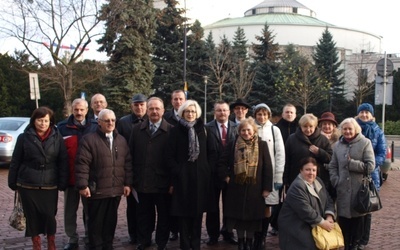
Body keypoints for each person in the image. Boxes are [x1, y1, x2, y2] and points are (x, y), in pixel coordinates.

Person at [8, 106, 69, 250]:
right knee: (32, 217)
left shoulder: (57, 137)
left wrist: (63, 181)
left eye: (46, 121)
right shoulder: (24, 137)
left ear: (51, 122)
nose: (43, 123)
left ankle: (51, 243)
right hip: (28, 184)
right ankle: (36, 244)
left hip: (50, 184)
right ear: (34, 121)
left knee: (49, 215)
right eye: (40, 120)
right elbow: (16, 160)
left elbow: (63, 161)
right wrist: (12, 180)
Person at [75, 109, 133, 250]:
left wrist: (127, 183)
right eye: (106, 120)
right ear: (99, 122)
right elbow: (82, 164)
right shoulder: (89, 140)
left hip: (115, 190)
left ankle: (108, 245)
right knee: (96, 224)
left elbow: (127, 163)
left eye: (113, 120)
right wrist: (83, 185)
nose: (110, 123)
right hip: (97, 191)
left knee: (110, 222)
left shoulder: (121, 140)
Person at [166, 100, 217, 250]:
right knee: (183, 215)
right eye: (187, 111)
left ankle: (195, 244)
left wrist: (207, 169)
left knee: (197, 214)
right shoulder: (175, 131)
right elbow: (169, 156)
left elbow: (213, 153)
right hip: (182, 180)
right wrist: (178, 171)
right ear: (182, 112)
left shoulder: (205, 130)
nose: (190, 114)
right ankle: (185, 245)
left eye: (193, 111)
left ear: (197, 113)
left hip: (201, 179)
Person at [218, 117, 273, 250]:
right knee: (239, 218)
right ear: (239, 131)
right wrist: (226, 177)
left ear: (254, 131)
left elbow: (268, 168)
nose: (246, 133)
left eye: (248, 130)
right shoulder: (233, 144)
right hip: (236, 188)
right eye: (243, 130)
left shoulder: (262, 144)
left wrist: (266, 188)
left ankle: (249, 241)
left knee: (252, 218)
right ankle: (241, 242)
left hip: (256, 188)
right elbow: (221, 163)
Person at [129, 97, 173, 250]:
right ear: (147, 111)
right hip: (142, 181)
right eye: (151, 108)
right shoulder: (136, 130)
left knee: (164, 215)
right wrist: (131, 179)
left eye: (157, 108)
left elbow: (175, 160)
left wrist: (173, 182)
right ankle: (144, 240)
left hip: (163, 183)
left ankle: (162, 242)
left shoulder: (171, 131)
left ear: (163, 111)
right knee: (143, 215)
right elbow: (130, 156)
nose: (154, 111)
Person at [328, 118, 375, 250]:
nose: (347, 131)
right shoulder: (337, 145)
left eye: (350, 129)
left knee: (357, 228)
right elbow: (333, 166)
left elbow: (370, 166)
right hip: (342, 191)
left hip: (358, 192)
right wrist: (336, 180)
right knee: (344, 228)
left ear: (356, 129)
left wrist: (351, 164)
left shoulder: (365, 143)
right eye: (345, 129)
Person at [57, 98, 98, 250]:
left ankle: (89, 236)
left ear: (87, 110)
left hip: (89, 178)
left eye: (82, 109)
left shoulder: (95, 126)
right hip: (70, 178)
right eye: (76, 109)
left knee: (90, 211)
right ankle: (72, 239)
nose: (79, 112)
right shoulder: (62, 127)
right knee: (69, 211)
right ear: (72, 110)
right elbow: (58, 154)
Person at [279, 157, 335, 250]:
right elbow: (306, 211)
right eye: (307, 170)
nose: (311, 173)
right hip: (295, 227)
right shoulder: (297, 186)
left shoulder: (318, 181)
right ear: (301, 170)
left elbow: (328, 199)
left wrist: (329, 216)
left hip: (311, 225)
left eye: (314, 170)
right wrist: (323, 223)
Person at [205, 101, 238, 246]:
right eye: (219, 110)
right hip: (212, 174)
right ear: (214, 112)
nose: (222, 113)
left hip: (230, 175)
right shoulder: (207, 128)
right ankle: (213, 235)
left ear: (229, 112)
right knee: (212, 207)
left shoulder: (237, 128)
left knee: (229, 206)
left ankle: (228, 232)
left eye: (224, 110)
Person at [117, 93, 148, 245]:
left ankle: (146, 234)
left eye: (142, 104)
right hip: (131, 169)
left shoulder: (151, 120)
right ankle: (133, 234)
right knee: (132, 206)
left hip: (148, 170)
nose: (139, 107)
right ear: (132, 106)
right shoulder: (123, 122)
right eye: (136, 105)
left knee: (146, 206)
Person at [253, 103, 285, 249]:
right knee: (253, 206)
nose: (262, 117)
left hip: (269, 175)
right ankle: (254, 236)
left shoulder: (274, 130)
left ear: (269, 115)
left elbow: (280, 154)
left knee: (266, 206)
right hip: (253, 175)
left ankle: (262, 237)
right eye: (259, 114)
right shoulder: (250, 127)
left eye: (265, 114)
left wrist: (278, 176)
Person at [355, 103, 386, 249]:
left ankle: (363, 240)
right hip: (353, 173)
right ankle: (353, 237)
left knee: (367, 208)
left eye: (367, 112)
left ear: (372, 115)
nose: (364, 115)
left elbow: (382, 153)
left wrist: (370, 165)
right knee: (353, 207)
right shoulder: (353, 128)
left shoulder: (378, 131)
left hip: (370, 175)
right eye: (362, 112)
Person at [283, 114, 332, 196]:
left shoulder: (323, 140)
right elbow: (286, 160)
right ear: (300, 126)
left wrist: (319, 152)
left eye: (311, 126)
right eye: (305, 126)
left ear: (315, 126)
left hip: (317, 180)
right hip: (296, 179)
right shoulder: (292, 139)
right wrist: (285, 180)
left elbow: (330, 158)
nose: (308, 129)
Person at [269, 103, 298, 236]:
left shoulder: (300, 128)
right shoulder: (275, 128)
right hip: (278, 167)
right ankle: (275, 223)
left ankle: (291, 223)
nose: (289, 115)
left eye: (292, 112)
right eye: (287, 112)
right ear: (282, 114)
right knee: (277, 199)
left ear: (295, 114)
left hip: (294, 168)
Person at [163, 89, 186, 241]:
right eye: (175, 99)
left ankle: (184, 229)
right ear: (171, 101)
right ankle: (173, 230)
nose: (178, 101)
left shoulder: (191, 117)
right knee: (171, 202)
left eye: (180, 99)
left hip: (185, 167)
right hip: (170, 165)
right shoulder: (166, 118)